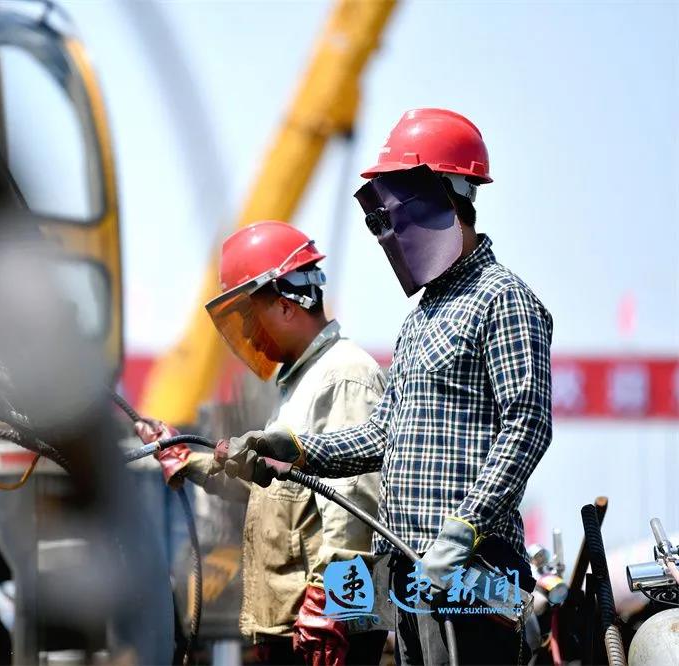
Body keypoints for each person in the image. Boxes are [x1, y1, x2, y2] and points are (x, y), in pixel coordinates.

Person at [217, 109, 554, 665]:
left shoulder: (503, 300)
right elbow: (382, 435)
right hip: (412, 573)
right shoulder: (421, 319)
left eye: (392, 208)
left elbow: (528, 425)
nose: (386, 230)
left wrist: (464, 529)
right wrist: (294, 449)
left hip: (475, 572)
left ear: (445, 195)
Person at [137, 221, 388, 665]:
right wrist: (186, 458)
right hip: (294, 627)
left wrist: (330, 605)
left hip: (325, 631)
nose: (249, 335)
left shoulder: (343, 375)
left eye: (251, 318)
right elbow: (269, 488)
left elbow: (354, 506)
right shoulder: (298, 384)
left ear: (288, 304)